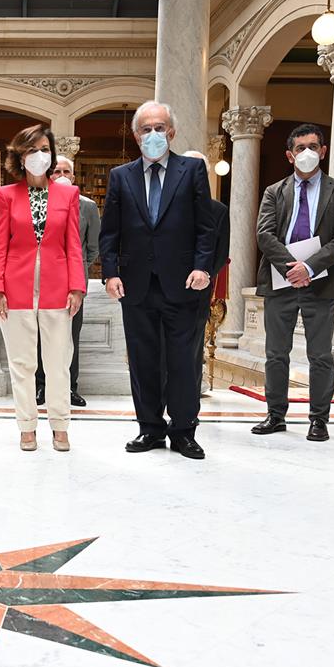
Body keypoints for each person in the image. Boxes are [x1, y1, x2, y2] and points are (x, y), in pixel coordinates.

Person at [99, 100, 216, 460]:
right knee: (144, 360)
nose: (154, 134)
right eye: (146, 128)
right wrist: (110, 272)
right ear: (136, 136)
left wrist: (202, 267)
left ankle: (183, 431)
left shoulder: (192, 170)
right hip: (136, 285)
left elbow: (206, 228)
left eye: (160, 127)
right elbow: (110, 232)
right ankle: (149, 428)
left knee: (183, 361)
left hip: (183, 284)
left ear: (172, 132)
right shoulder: (121, 176)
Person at [251, 123, 334, 442]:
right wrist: (289, 267)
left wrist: (308, 267)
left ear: (323, 151)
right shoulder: (274, 192)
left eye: (313, 147)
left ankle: (319, 419)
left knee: (320, 355)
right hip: (280, 282)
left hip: (320, 282)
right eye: (300, 148)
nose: (307, 153)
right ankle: (275, 414)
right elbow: (264, 233)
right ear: (289, 155)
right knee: (276, 353)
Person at [0, 125, 86, 452]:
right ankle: (26, 426)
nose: (39, 156)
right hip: (15, 288)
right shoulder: (6, 195)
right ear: (20, 156)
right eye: (32, 150)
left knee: (58, 361)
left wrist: (77, 286)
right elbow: (0, 245)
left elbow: (74, 244)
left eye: (45, 149)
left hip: (58, 288)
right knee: (22, 363)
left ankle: (60, 425)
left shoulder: (68, 194)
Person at [39, 154, 100, 408]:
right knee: (42, 335)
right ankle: (41, 386)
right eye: (56, 172)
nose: (61, 176)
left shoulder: (87, 206)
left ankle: (69, 387)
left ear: (73, 177)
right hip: (42, 281)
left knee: (70, 336)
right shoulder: (38, 202)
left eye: (66, 172)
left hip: (74, 285)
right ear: (48, 176)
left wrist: (76, 270)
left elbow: (93, 247)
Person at [180, 150, 231, 395]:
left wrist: (203, 274)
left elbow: (221, 253)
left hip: (199, 287)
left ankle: (190, 389)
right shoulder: (164, 204)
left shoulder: (218, 210)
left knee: (193, 341)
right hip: (164, 285)